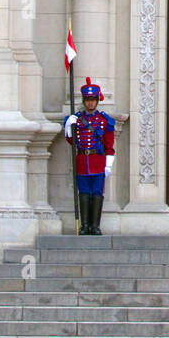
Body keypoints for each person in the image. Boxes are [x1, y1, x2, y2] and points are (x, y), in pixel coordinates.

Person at [64, 78, 115, 235]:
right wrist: (68, 127)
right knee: (84, 193)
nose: (90, 103)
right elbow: (71, 141)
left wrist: (108, 164)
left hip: (98, 161)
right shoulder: (77, 119)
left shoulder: (103, 120)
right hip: (82, 161)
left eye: (93, 100)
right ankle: (84, 226)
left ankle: (95, 226)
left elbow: (109, 144)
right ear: (84, 101)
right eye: (88, 100)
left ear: (97, 100)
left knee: (97, 193)